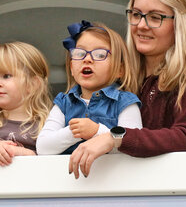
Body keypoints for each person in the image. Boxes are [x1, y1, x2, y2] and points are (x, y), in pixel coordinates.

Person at [69, 0, 186, 178]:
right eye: (136, 14)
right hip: (114, 189)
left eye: (155, 17)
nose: (141, 25)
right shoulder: (118, 72)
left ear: (180, 23)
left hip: (171, 194)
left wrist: (115, 137)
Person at [36, 20, 142, 155]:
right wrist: (75, 132)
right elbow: (43, 148)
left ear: (119, 70)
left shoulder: (125, 102)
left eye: (99, 54)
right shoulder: (64, 103)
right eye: (80, 54)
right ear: (71, 68)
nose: (87, 59)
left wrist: (96, 131)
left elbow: (133, 145)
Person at [0, 42, 53, 166]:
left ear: (33, 84)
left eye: (6, 76)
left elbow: (56, 165)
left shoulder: (47, 123)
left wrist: (27, 154)